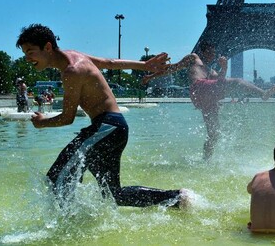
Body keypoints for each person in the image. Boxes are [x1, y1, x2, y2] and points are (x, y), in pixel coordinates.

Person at [16, 24, 187, 207]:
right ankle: (178, 199)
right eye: (25, 53)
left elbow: (68, 118)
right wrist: (143, 65)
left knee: (56, 176)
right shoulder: (75, 56)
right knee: (114, 195)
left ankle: (66, 225)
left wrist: (42, 122)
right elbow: (110, 63)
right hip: (115, 127)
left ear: (47, 47)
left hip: (106, 127)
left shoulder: (71, 71)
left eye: (31, 52)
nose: (27, 58)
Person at [143, 41, 275, 159]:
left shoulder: (211, 71)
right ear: (203, 51)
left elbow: (220, 83)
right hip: (200, 88)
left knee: (214, 134)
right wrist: (151, 76)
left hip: (207, 99)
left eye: (213, 53)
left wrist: (224, 67)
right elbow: (173, 68)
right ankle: (263, 93)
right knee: (237, 81)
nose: (212, 55)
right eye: (210, 52)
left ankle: (206, 160)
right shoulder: (194, 58)